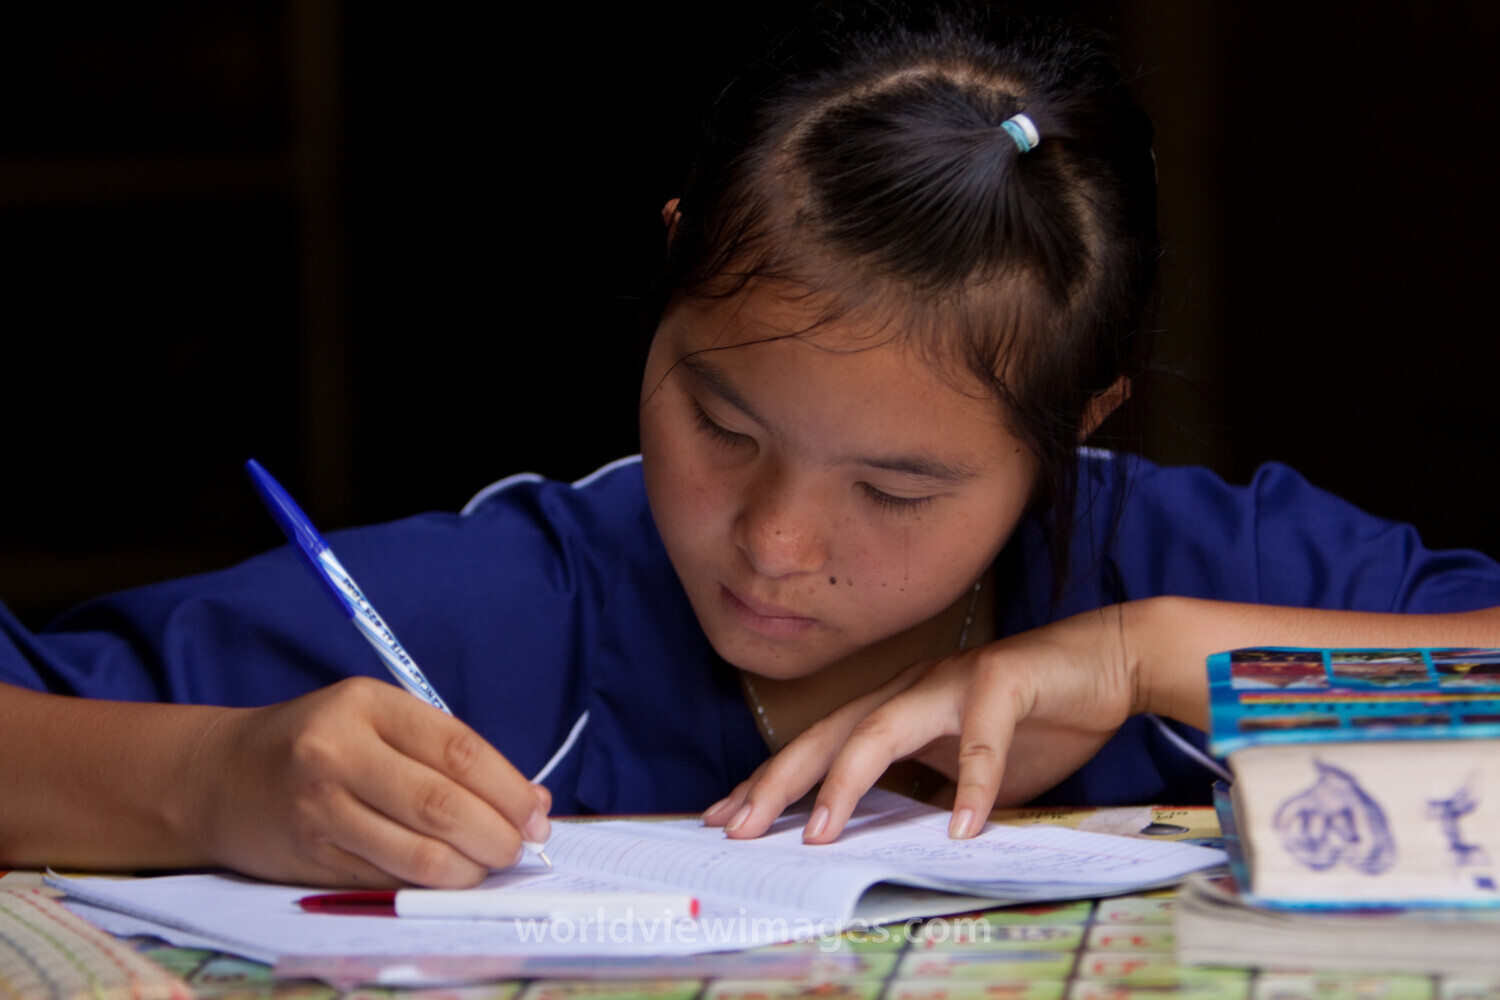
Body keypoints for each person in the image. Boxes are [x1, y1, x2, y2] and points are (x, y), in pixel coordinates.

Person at [3, 3, 1499, 889]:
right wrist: (214, 782)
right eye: (721, 421)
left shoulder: (1190, 570)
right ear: (668, 277)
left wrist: (1138, 660)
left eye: (899, 489)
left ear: (1079, 425)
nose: (775, 542)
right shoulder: (504, 624)